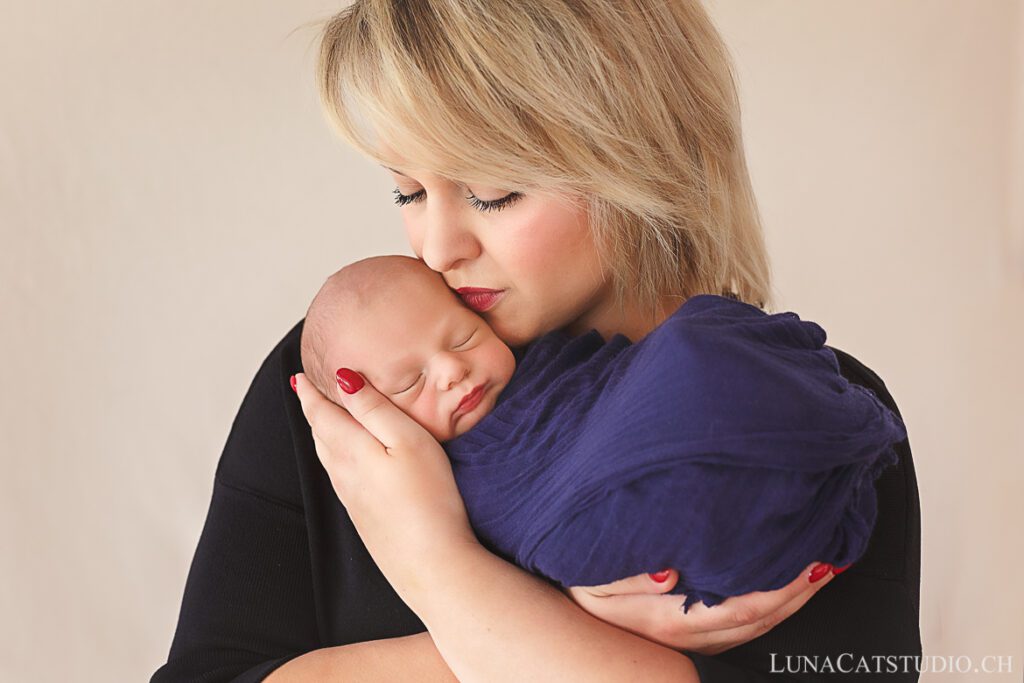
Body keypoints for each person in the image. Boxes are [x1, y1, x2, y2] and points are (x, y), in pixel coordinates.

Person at [151, 1, 921, 680]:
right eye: (409, 191)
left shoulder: (811, 414)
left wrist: (448, 574)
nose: (437, 247)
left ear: (639, 149)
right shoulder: (347, 376)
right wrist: (554, 626)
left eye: (492, 190)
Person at [298, 253, 907, 614]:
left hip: (715, 409)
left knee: (698, 350)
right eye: (409, 385)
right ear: (367, 413)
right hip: (600, 503)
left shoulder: (547, 360)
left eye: (462, 338)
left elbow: (601, 380)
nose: (454, 370)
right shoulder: (424, 470)